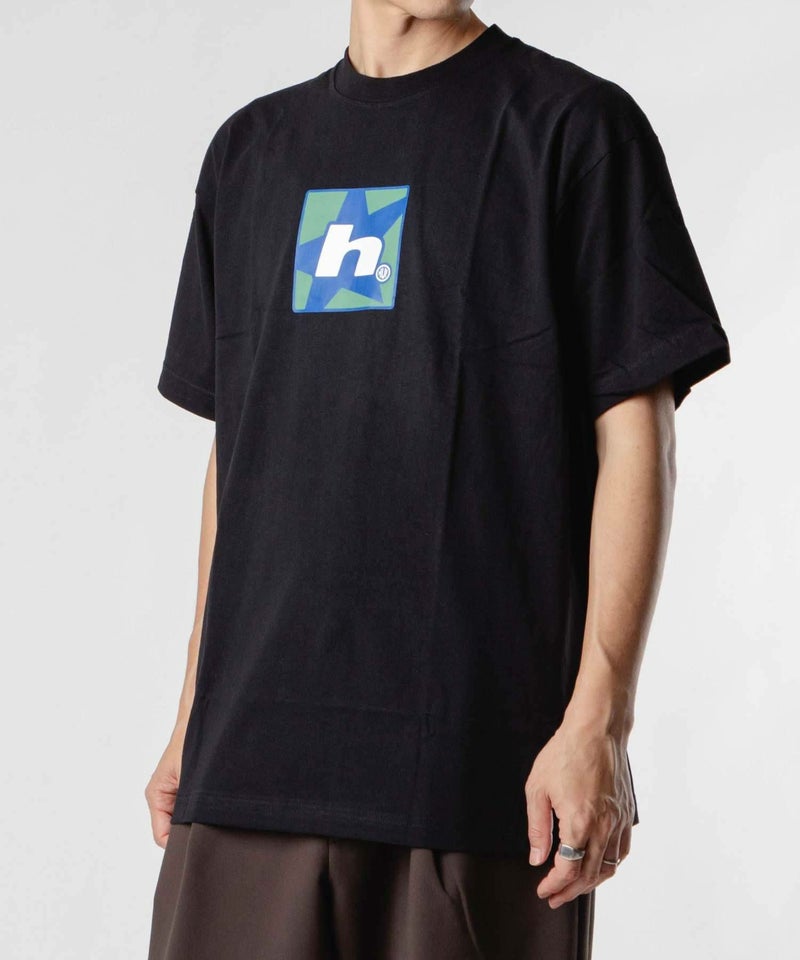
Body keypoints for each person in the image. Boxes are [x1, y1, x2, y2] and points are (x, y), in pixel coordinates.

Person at [145, 3, 731, 958]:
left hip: (475, 780)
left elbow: (638, 440)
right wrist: (190, 715)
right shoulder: (251, 152)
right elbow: (238, 461)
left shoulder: (574, 129)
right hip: (248, 770)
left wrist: (601, 721)